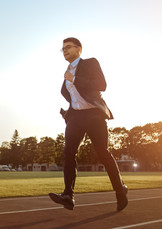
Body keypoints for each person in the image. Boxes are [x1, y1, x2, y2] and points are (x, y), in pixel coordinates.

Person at [49, 37, 128, 211]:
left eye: (68, 47)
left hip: (94, 114)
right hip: (75, 117)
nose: (65, 51)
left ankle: (120, 189)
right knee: (68, 153)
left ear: (79, 49)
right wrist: (68, 114)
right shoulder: (67, 72)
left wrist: (75, 79)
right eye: (62, 49)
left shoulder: (90, 63)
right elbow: (72, 97)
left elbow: (101, 85)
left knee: (103, 153)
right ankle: (68, 195)